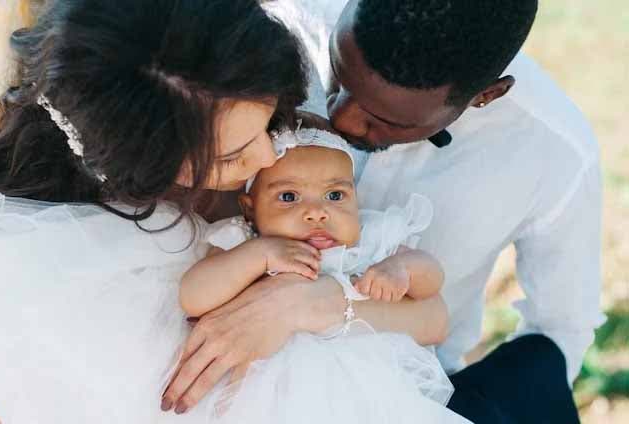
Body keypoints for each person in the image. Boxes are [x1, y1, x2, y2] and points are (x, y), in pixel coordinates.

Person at [164, 1, 604, 423]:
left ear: (485, 95)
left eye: (388, 119)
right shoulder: (279, 25)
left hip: (403, 390)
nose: (342, 119)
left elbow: (558, 331)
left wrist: (312, 306)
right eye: (339, 77)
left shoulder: (555, 153)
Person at [0, 0, 308, 421]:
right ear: (141, 165)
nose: (270, 158)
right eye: (231, 157)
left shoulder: (295, 152)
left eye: (268, 125)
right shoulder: (46, 267)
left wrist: (302, 302)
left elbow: (425, 309)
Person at [173, 120, 469, 422]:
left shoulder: (372, 238)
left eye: (335, 196)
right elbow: (193, 295)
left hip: (361, 395)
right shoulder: (244, 240)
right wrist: (258, 255)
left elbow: (432, 280)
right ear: (250, 208)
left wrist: (402, 269)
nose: (317, 212)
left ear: (356, 199)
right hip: (261, 398)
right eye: (289, 197)